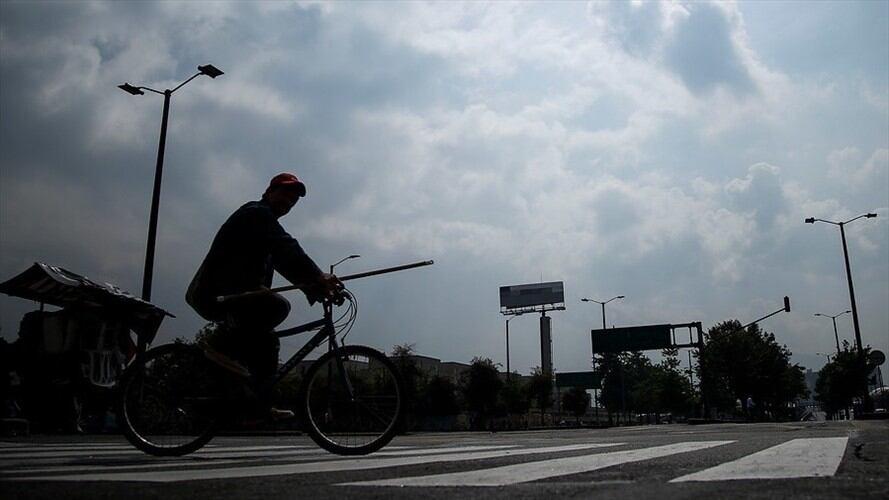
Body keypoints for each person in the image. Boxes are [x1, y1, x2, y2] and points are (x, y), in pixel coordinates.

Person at [187, 172, 340, 394]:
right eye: (284, 194)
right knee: (276, 306)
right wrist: (318, 274)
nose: (288, 201)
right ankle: (219, 346)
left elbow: (288, 264)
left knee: (267, 343)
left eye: (293, 200)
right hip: (218, 291)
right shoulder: (256, 213)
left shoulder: (265, 231)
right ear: (268, 192)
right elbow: (286, 247)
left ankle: (256, 404)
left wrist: (318, 288)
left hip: (239, 294)